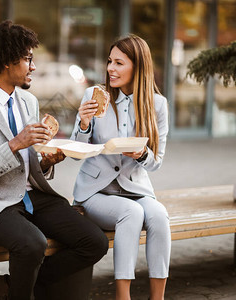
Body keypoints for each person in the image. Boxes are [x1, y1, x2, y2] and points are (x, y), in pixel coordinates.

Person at [0, 20, 108, 300]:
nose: (33, 66)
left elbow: (30, 160)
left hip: (33, 196)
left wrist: (47, 160)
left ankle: (9, 288)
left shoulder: (27, 101)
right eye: (27, 59)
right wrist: (14, 145)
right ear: (7, 61)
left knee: (95, 242)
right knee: (32, 244)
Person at [70, 34, 171, 300]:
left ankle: (157, 296)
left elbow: (156, 162)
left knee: (159, 215)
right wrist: (83, 123)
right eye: (109, 61)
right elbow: (75, 152)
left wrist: (141, 154)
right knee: (131, 212)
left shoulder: (157, 105)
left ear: (137, 67)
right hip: (95, 192)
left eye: (119, 63)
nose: (110, 69)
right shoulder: (94, 95)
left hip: (136, 188)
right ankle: (122, 296)